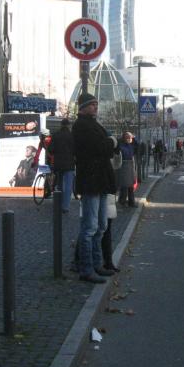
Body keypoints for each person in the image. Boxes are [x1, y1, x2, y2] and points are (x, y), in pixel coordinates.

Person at [72, 93, 118, 284]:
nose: (95, 107)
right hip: (91, 181)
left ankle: (97, 264)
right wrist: (112, 142)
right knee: (90, 227)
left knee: (101, 226)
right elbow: (100, 148)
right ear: (83, 107)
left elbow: (105, 148)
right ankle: (86, 269)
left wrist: (110, 143)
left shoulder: (94, 124)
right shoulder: (81, 126)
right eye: (92, 104)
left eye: (96, 104)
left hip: (100, 181)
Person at [49, 118, 75, 213]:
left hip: (58, 164)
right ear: (69, 125)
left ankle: (59, 204)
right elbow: (76, 150)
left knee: (59, 185)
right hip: (69, 164)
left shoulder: (56, 135)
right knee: (68, 186)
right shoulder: (72, 136)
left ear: (61, 125)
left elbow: (51, 150)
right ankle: (65, 206)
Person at [117, 132, 137, 207]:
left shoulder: (130, 146)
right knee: (125, 186)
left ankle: (130, 202)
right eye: (129, 138)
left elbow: (136, 146)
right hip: (124, 167)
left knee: (130, 186)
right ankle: (123, 202)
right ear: (125, 138)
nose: (131, 139)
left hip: (130, 167)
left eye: (131, 138)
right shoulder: (122, 147)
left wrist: (133, 137)